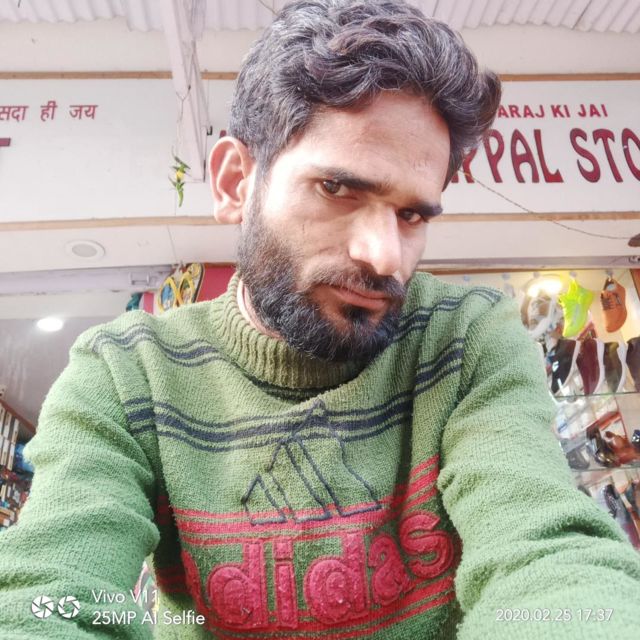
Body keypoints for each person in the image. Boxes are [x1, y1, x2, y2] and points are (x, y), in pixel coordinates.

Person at [1, 1, 639, 638]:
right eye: (338, 189)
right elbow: (52, 597)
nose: (385, 257)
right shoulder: (126, 371)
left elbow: (546, 554)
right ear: (235, 183)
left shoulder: (463, 339)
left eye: (411, 215)